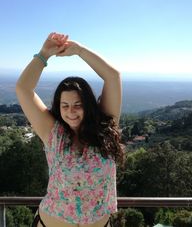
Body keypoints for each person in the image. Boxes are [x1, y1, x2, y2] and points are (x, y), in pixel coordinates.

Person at [16, 32, 124, 227]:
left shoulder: (105, 128)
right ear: (58, 108)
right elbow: (23, 89)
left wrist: (79, 50)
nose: (71, 112)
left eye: (77, 104)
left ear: (88, 105)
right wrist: (44, 54)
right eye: (64, 106)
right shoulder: (53, 133)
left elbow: (113, 76)